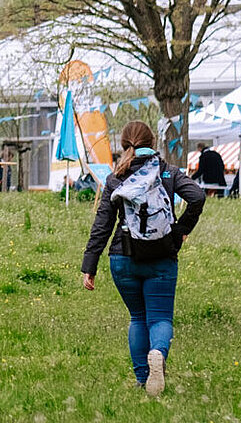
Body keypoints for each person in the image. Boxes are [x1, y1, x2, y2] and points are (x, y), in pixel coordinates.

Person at [80, 121, 207, 396]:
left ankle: (142, 379)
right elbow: (197, 196)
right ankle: (158, 354)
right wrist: (180, 231)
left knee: (138, 317)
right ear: (153, 142)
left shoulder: (116, 177)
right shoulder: (167, 171)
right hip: (162, 254)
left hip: (122, 257)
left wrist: (89, 265)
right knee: (160, 318)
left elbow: (102, 224)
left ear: (124, 144)